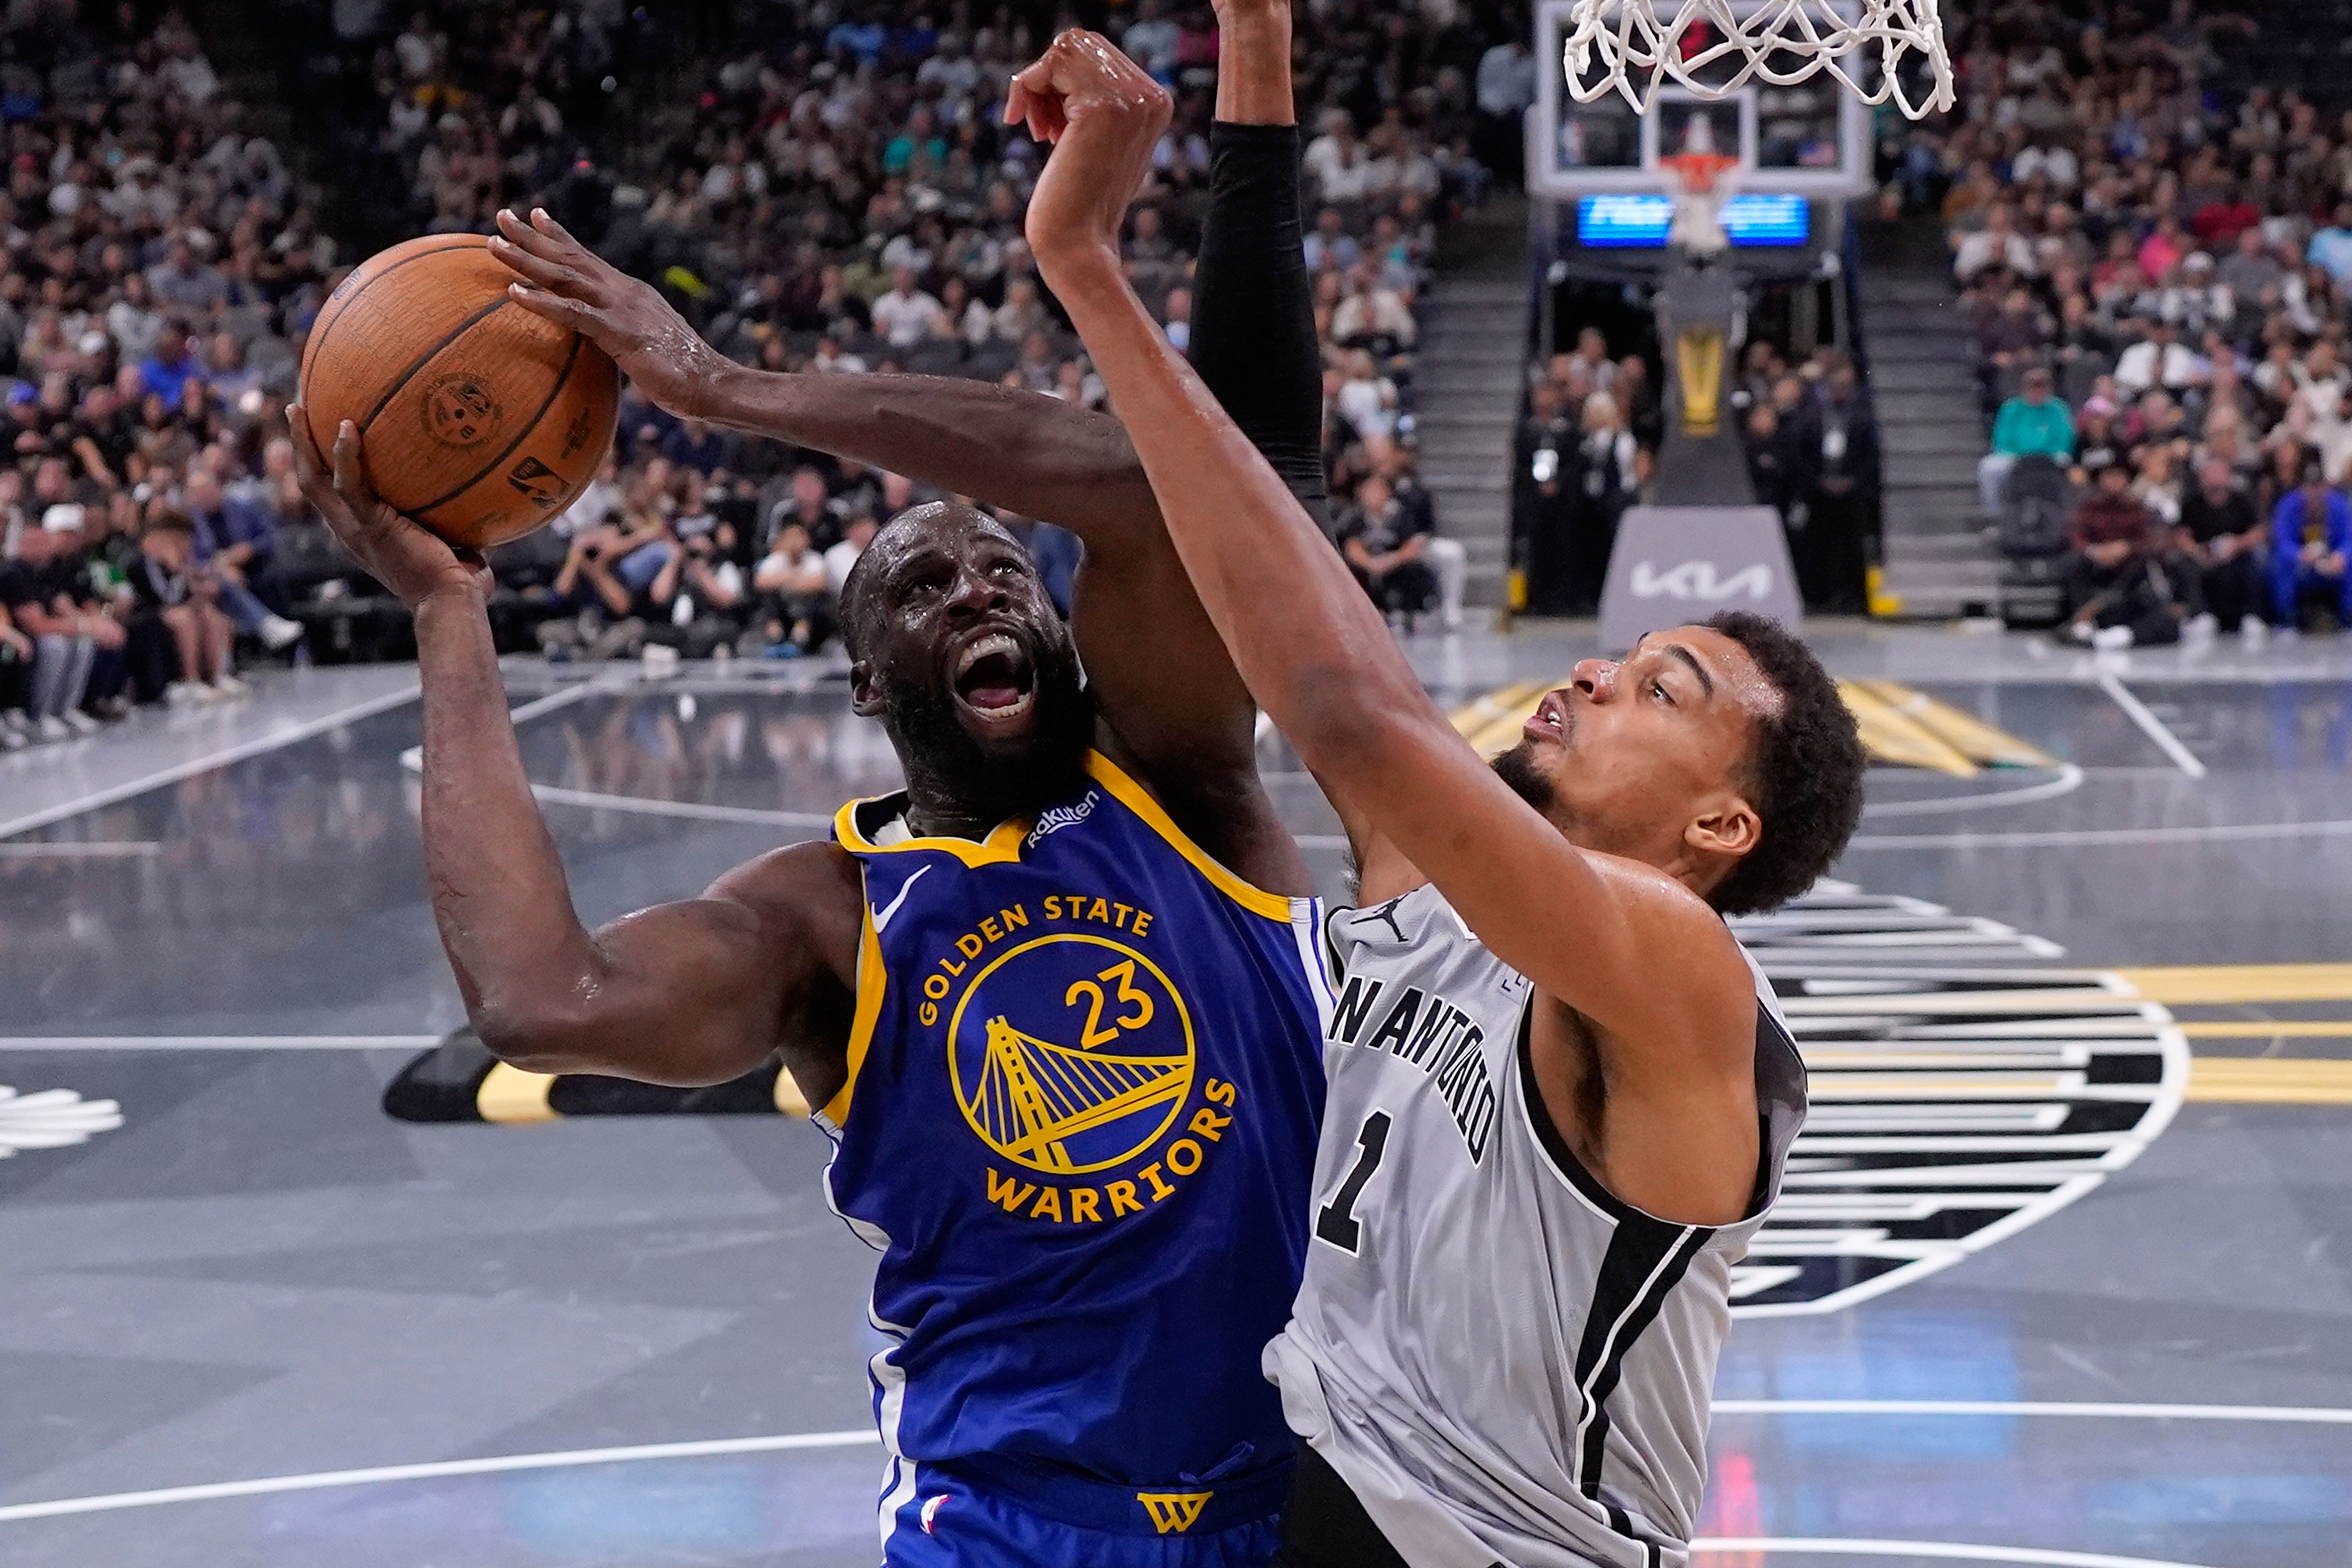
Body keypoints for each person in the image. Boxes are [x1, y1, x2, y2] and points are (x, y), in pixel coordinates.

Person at [308, 8, 1333, 1564]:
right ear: (868, 684)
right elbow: (539, 996)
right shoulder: (826, 918)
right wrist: (451, 617)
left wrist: (722, 386)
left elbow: (1161, 489)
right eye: (919, 589)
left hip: (1316, 1500)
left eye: (1002, 569)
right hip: (1008, 1523)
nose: (977, 590)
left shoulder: (1180, 788)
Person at [1011, 32, 1864, 1568]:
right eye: (1622, 655)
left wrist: (1080, 264)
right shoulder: (1436, 881)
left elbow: (1345, 697)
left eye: (1661, 688)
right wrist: (1257, 56)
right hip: (1305, 1499)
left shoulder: (1678, 973)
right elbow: (1273, 496)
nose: (1600, 672)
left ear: (1717, 826)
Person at [2268, 466, 2352, 632]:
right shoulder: (2288, 505)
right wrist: (2300, 555)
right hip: (2301, 562)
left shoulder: (2339, 506)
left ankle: (2348, 619)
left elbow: (2348, 537)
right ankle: (2286, 620)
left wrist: (2341, 555)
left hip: (2331, 562)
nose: (2314, 492)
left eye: (2318, 486)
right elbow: (2282, 540)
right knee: (2279, 565)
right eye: (2310, 487)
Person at [1980, 366, 2074, 511]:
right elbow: (2001, 439)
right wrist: (2016, 456)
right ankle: (1995, 514)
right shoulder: (2011, 408)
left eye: (2041, 386)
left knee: (2065, 461)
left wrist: (2045, 455)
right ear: (2024, 388)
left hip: (2050, 457)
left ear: (2048, 388)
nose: (2036, 391)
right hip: (2015, 456)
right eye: (2032, 386)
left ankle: (2064, 513)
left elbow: (2065, 439)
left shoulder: (2059, 408)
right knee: (1988, 468)